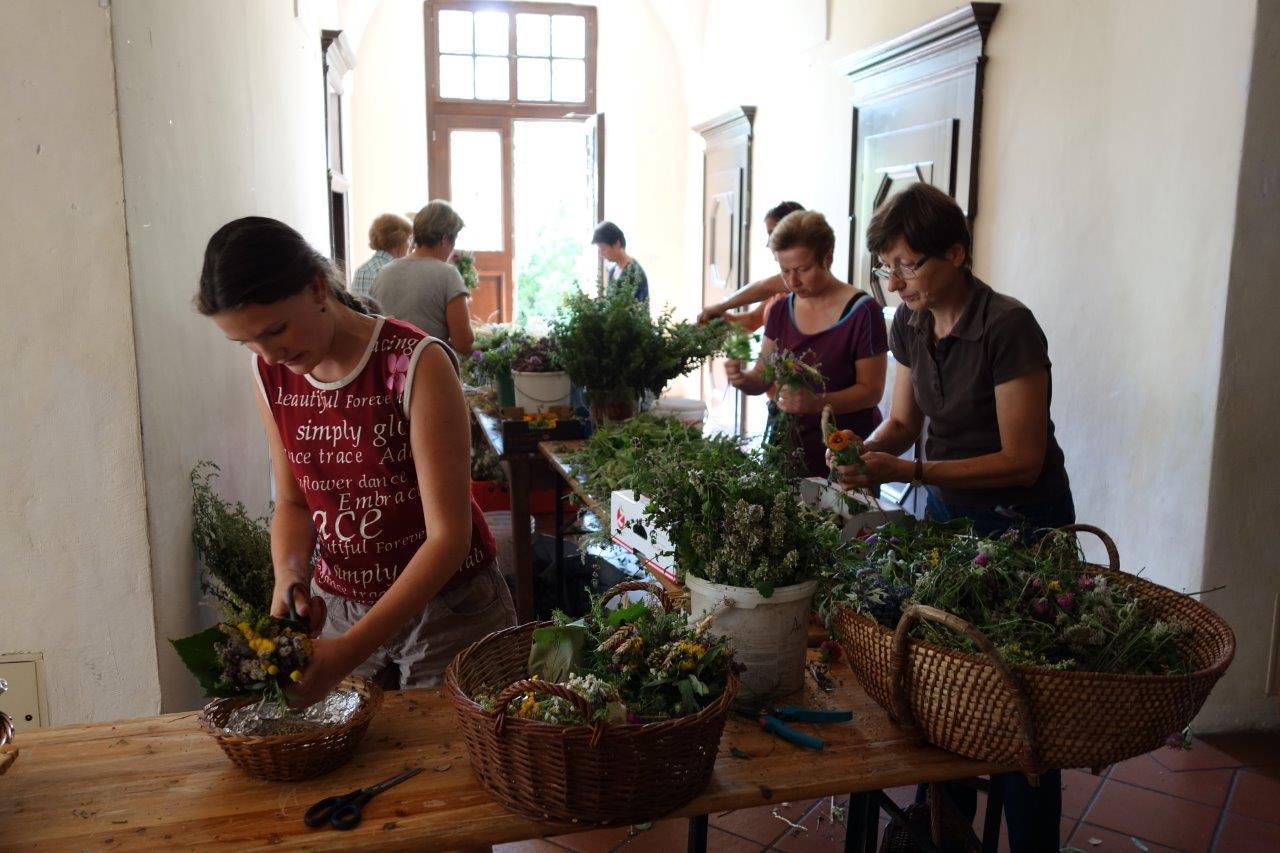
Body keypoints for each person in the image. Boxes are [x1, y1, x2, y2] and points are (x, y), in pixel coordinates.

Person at [834, 182, 1074, 852]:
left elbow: (1022, 460)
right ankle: (942, 832)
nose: (895, 282)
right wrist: (862, 451)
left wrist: (908, 471)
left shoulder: (1007, 326)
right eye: (886, 266)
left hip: (1020, 522)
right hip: (948, 513)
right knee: (945, 684)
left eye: (908, 264)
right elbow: (903, 423)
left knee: (1021, 703)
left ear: (957, 254)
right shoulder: (909, 323)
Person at [197, 217, 515, 704]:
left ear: (316, 287)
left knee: (452, 747)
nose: (270, 354)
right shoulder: (270, 373)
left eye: (276, 329)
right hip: (340, 606)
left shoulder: (414, 363)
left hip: (448, 609)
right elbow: (294, 503)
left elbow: (449, 538)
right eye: (246, 342)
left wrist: (347, 651)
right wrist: (289, 576)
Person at [725, 210, 888, 477]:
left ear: (828, 258)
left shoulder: (863, 312)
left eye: (803, 269)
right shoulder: (780, 309)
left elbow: (871, 391)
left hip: (845, 453)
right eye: (784, 270)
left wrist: (816, 403)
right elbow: (763, 376)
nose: (792, 281)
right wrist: (743, 379)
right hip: (787, 450)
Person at [372, 200, 475, 355]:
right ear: (445, 239)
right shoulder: (448, 275)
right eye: (453, 241)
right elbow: (463, 344)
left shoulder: (383, 273)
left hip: (389, 366)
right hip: (428, 364)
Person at [697, 201, 804, 329]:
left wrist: (723, 306)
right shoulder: (780, 287)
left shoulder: (801, 278)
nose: (769, 243)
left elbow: (764, 286)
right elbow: (754, 319)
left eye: (773, 234)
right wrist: (722, 320)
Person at [350, 213, 412, 299]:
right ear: (399, 241)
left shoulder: (361, 270)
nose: (410, 245)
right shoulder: (396, 272)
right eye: (409, 239)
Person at [591, 221, 648, 303]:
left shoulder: (635, 272)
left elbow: (640, 306)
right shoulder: (612, 271)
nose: (602, 255)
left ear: (617, 244)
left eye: (603, 249)